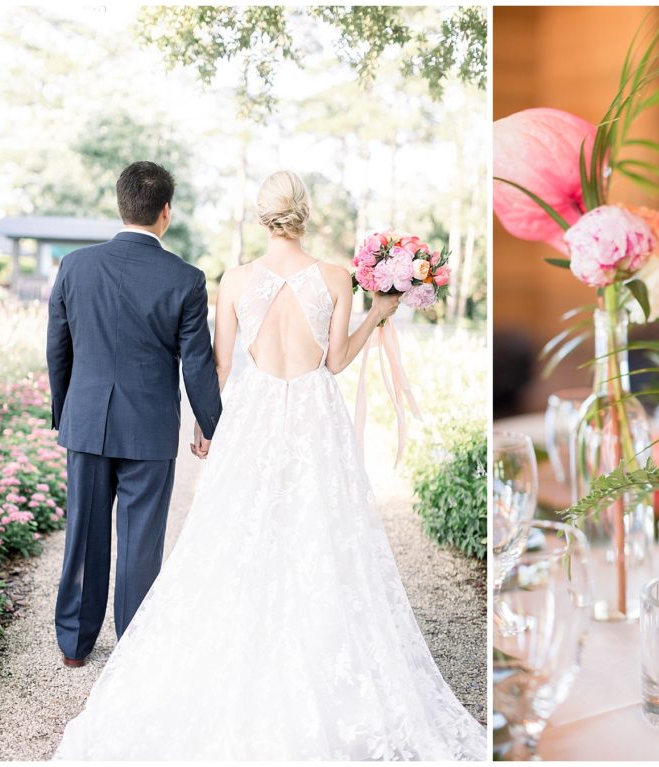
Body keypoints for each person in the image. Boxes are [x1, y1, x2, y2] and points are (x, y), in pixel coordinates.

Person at [53, 170, 486, 760]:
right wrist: (377, 315)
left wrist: (213, 428)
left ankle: (108, 642)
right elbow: (334, 363)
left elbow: (220, 367)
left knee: (230, 534)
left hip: (249, 419)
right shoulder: (335, 278)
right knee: (319, 533)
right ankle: (294, 641)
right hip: (313, 416)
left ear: (262, 217)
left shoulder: (231, 281)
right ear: (304, 214)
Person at [47, 161, 222, 668]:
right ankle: (133, 650)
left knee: (83, 533)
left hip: (87, 423)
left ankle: (75, 646)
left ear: (120, 203)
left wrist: (67, 411)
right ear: (165, 212)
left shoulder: (74, 267)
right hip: (149, 429)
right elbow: (198, 364)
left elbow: (58, 348)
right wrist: (212, 426)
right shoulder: (186, 279)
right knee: (142, 539)